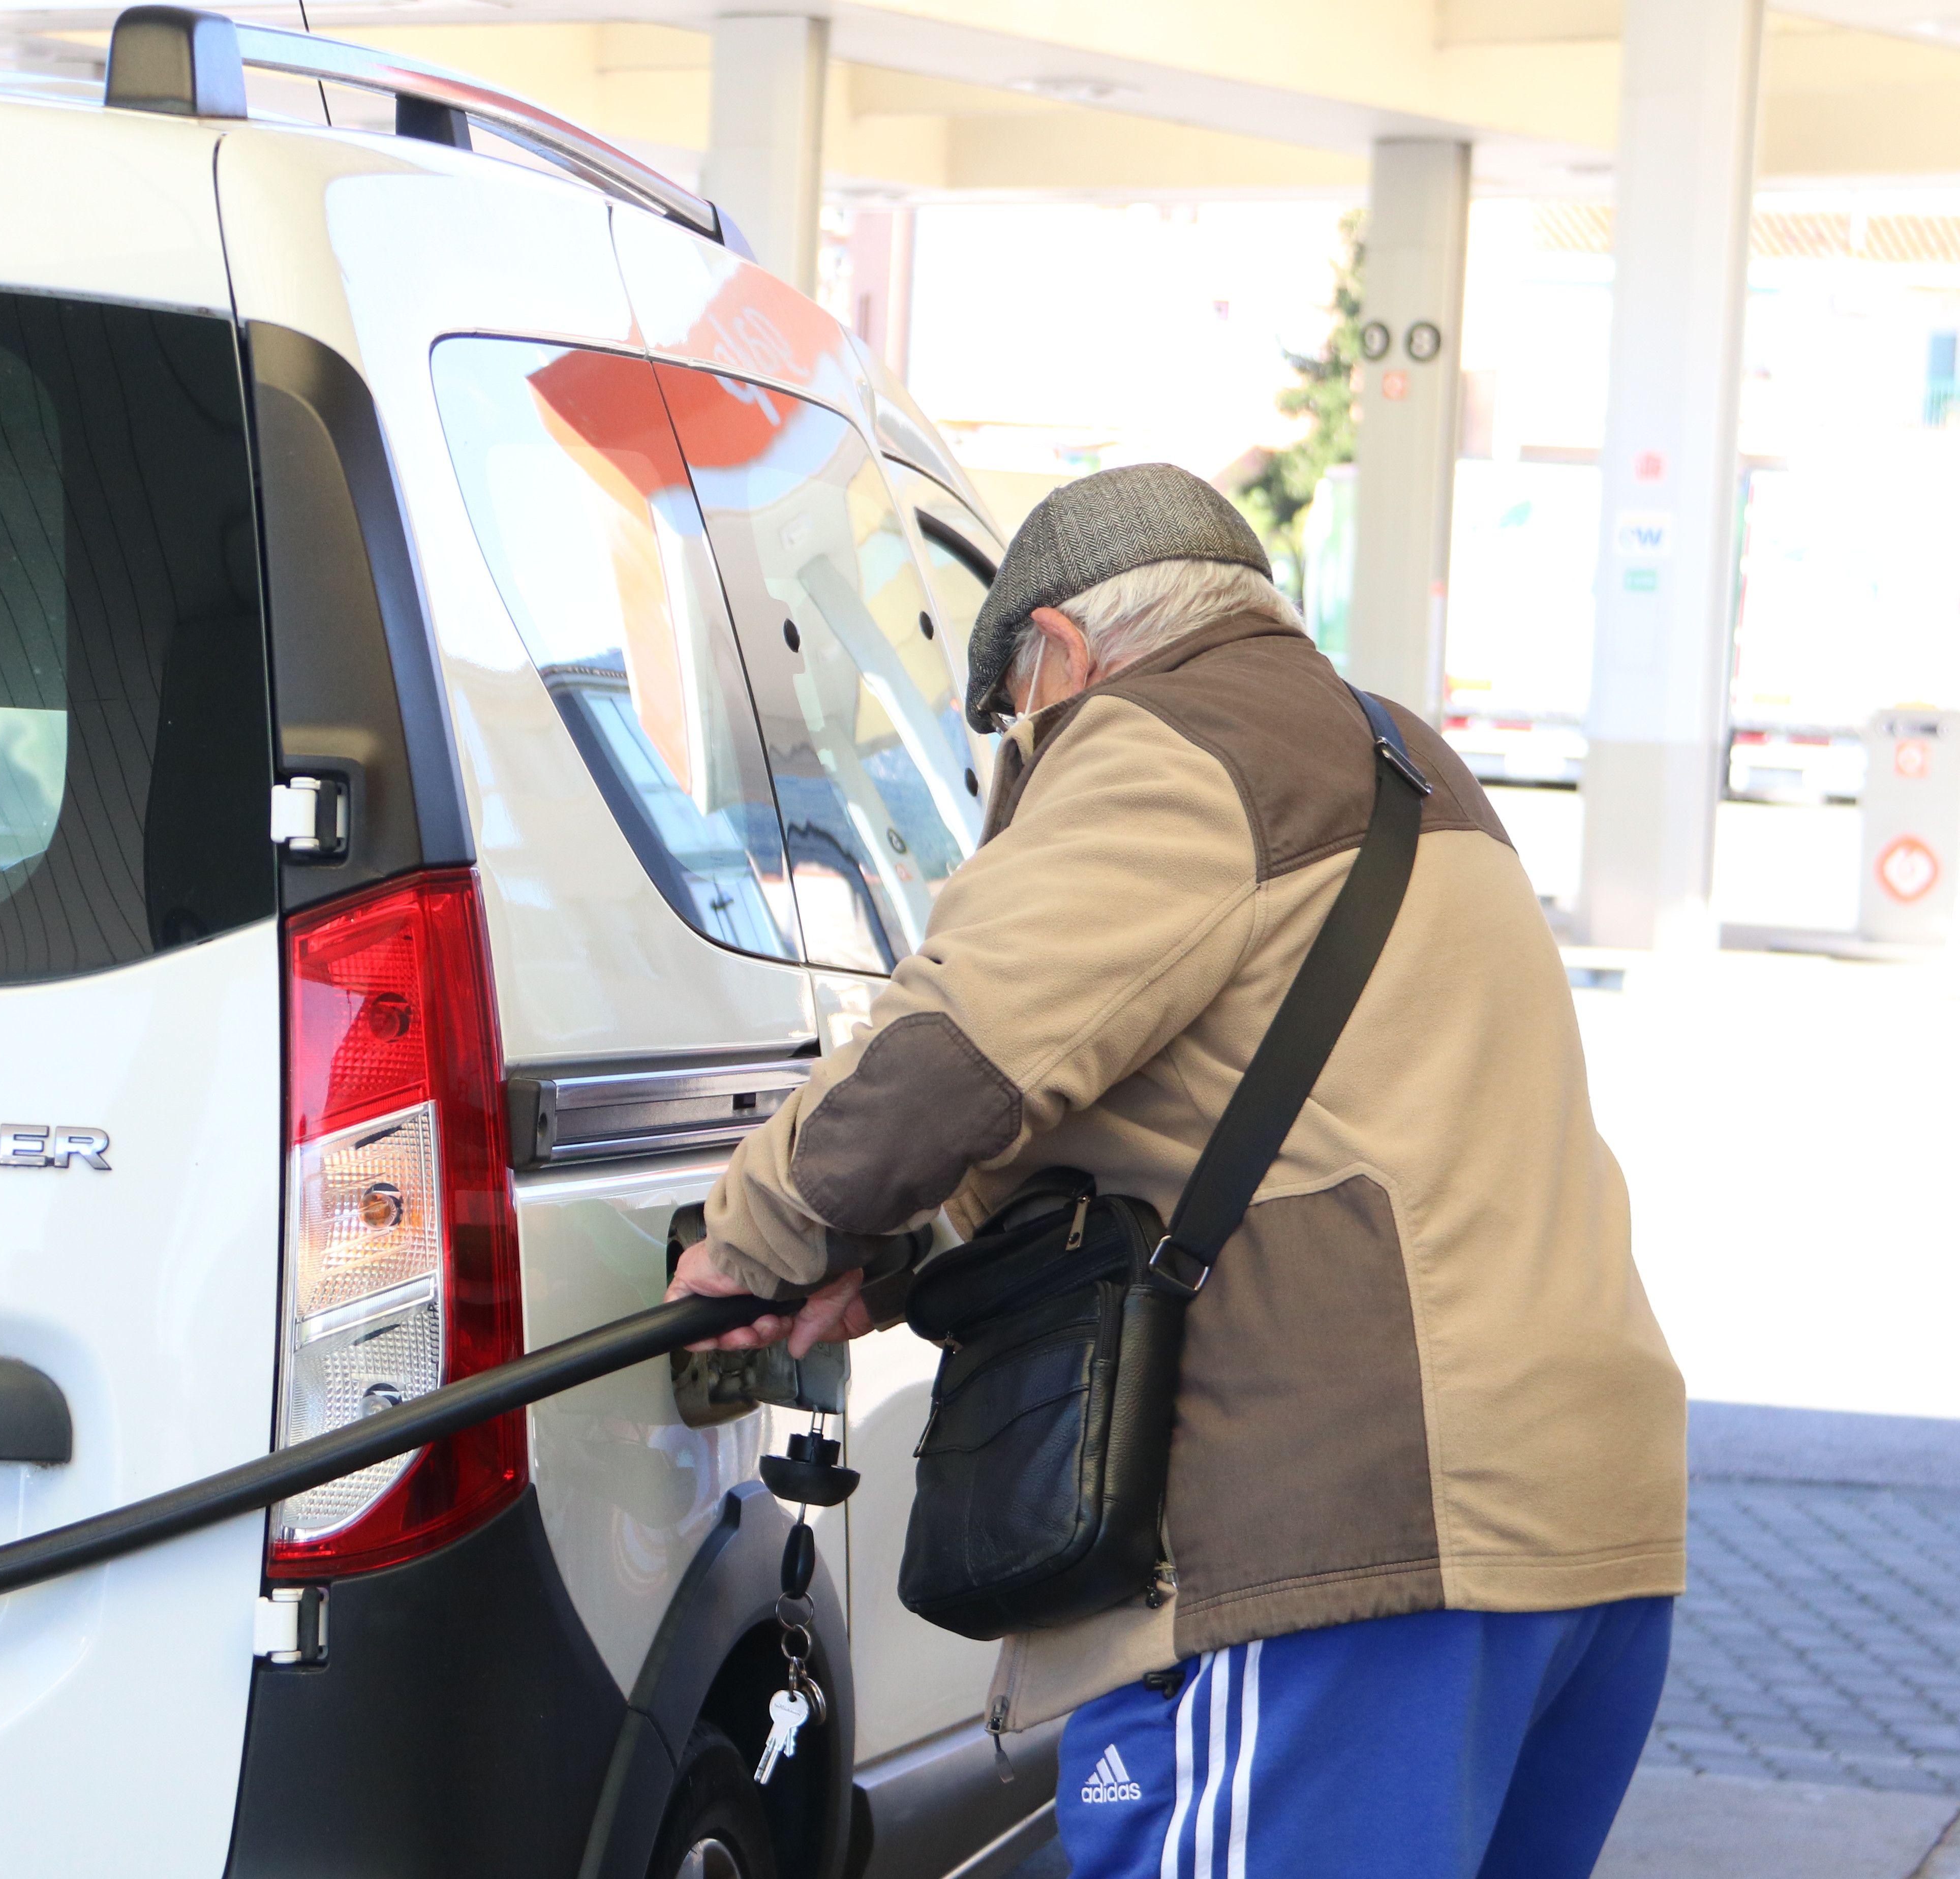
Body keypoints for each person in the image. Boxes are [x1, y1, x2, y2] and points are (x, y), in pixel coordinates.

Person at [667, 463, 1685, 1878]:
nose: (1028, 751)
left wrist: (755, 1238)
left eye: (1018, 719)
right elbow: (1208, 1097)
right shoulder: (1403, 757)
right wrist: (890, 1264)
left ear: (1065, 655)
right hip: (1580, 1529)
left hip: (1348, 1535)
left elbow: (961, 1048)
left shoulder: (1164, 741)